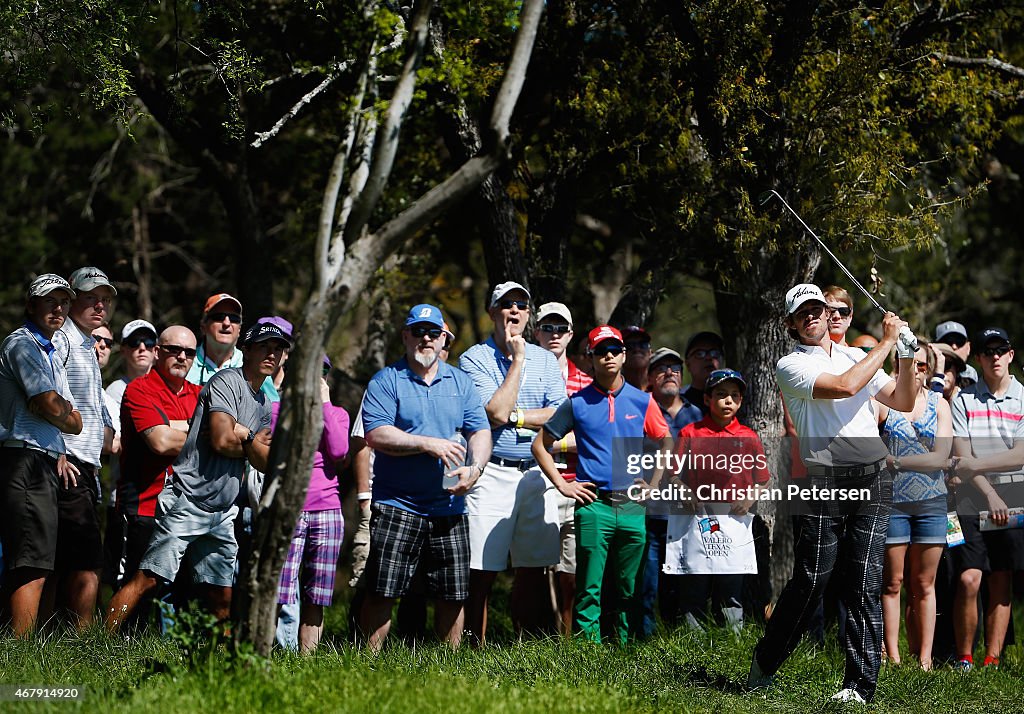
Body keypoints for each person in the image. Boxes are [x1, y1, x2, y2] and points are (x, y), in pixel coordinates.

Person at [748, 283, 917, 704]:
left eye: (817, 309)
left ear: (828, 314)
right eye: (801, 312)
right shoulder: (791, 364)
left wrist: (908, 356)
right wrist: (889, 341)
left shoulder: (855, 355)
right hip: (826, 477)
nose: (811, 316)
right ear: (791, 323)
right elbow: (843, 387)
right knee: (813, 577)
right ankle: (766, 662)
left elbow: (902, 399)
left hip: (873, 475)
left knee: (864, 579)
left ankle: (859, 686)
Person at [105, 322, 284, 631]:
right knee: (148, 579)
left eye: (278, 348)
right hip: (188, 499)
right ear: (247, 351)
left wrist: (245, 435)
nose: (272, 353)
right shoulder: (226, 381)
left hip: (221, 509)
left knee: (221, 597)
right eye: (264, 346)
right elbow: (221, 440)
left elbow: (264, 461)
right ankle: (98, 642)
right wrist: (247, 441)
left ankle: (219, 665)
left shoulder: (263, 402)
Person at [360, 304, 492, 652]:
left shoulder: (460, 382)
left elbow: (480, 430)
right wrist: (426, 443)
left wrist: (475, 468)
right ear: (405, 336)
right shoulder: (387, 380)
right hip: (396, 503)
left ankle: (449, 666)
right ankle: (365, 664)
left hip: (449, 503)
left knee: (453, 592)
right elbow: (376, 433)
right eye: (418, 331)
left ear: (443, 338)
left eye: (433, 332)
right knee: (383, 590)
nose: (426, 339)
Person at [533, 325, 672, 643]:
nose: (608, 356)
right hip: (592, 504)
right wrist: (562, 484)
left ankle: (624, 650)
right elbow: (540, 445)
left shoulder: (642, 401)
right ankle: (586, 655)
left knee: (628, 587)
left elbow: (665, 440)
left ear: (623, 356)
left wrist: (652, 483)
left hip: (632, 504)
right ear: (590, 358)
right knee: (589, 586)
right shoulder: (576, 403)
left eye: (614, 350)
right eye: (600, 351)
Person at [459, 282, 565, 644]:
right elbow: (493, 411)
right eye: (507, 305)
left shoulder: (547, 359)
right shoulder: (474, 358)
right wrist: (518, 359)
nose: (515, 311)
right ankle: (474, 648)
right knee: (481, 570)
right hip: (491, 472)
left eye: (522, 305)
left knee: (533, 569)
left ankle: (526, 650)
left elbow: (559, 415)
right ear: (492, 312)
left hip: (536, 473)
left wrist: (518, 417)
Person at [0, 274, 82, 637]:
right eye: (50, 300)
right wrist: (55, 407)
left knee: (42, 559)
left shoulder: (51, 353)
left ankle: (29, 646)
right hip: (25, 459)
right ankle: (20, 650)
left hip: (45, 459)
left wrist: (55, 408)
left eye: (64, 301)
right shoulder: (21, 344)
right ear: (31, 305)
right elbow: (54, 405)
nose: (59, 308)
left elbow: (75, 422)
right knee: (31, 561)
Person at [948, 327, 1024, 670]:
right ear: (977, 359)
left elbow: (1020, 456)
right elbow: (962, 457)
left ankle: (992, 659)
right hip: (973, 493)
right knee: (969, 577)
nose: (995, 356)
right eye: (987, 351)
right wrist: (989, 491)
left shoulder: (1023, 398)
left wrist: (976, 464)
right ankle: (965, 657)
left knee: (1002, 576)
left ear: (1010, 354)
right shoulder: (964, 399)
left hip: (1014, 490)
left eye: (1001, 350)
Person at [671, 369, 769, 631]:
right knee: (694, 586)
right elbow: (672, 475)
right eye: (721, 395)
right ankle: (694, 645)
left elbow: (762, 480)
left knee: (731, 589)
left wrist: (749, 500)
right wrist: (684, 491)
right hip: (697, 523)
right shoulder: (690, 434)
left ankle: (734, 645)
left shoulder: (748, 437)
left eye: (734, 396)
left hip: (734, 527)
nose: (728, 401)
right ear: (707, 399)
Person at [876, 344, 953, 670]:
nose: (916, 369)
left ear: (928, 369)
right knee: (892, 583)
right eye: (911, 363)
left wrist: (897, 460)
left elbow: (941, 458)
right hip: (893, 503)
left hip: (932, 504)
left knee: (924, 584)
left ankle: (924, 659)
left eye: (922, 365)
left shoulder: (940, 405)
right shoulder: (883, 403)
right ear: (899, 364)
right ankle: (892, 656)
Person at [51, 266, 117, 628]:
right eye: (90, 298)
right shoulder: (62, 339)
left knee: (66, 561)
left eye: (104, 299)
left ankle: (50, 639)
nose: (99, 306)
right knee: (87, 564)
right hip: (69, 462)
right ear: (72, 299)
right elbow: (51, 399)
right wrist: (59, 449)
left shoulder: (87, 345)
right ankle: (82, 643)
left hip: (87, 464)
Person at [113, 326, 200, 598]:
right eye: (174, 350)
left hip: (188, 508)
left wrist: (173, 427)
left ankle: (170, 643)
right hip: (144, 505)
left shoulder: (201, 394)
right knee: (138, 587)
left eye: (189, 352)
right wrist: (201, 434)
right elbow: (160, 443)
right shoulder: (139, 390)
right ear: (157, 352)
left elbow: (224, 437)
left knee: (185, 591)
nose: (182, 356)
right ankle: (109, 641)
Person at [273, 354, 349, 653]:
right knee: (280, 590)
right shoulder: (277, 411)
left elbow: (340, 449)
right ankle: (274, 654)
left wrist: (325, 404)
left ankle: (306, 661)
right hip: (289, 509)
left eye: (323, 372)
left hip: (327, 509)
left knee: (317, 594)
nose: (316, 378)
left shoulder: (337, 414)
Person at [533, 302, 592, 636]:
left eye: (561, 329)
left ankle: (566, 639)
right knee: (534, 568)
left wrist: (550, 443)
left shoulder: (585, 383)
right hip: (530, 479)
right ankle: (533, 638)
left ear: (571, 334)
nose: (554, 335)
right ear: (536, 332)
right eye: (547, 328)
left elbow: (591, 435)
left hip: (573, 481)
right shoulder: (522, 374)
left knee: (569, 570)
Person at [637, 347, 701, 636]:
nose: (669, 373)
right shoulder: (641, 409)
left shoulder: (697, 412)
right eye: (661, 369)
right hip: (651, 513)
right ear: (650, 377)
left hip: (689, 514)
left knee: (685, 584)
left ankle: (680, 639)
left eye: (675, 368)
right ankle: (646, 641)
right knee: (648, 584)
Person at [186, 293, 244, 387]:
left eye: (234, 318)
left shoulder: (251, 364)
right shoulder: (185, 362)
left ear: (239, 330)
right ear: (203, 327)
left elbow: (273, 401)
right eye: (219, 317)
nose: (226, 323)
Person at [106, 319, 158, 406]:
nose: (142, 347)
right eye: (134, 341)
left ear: (156, 350)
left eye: (149, 342)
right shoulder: (115, 391)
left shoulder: (170, 387)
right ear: (123, 350)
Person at [681, 331, 725, 414]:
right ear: (687, 365)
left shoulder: (733, 400)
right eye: (699, 354)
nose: (708, 358)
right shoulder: (679, 403)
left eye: (714, 353)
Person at [935, 320, 978, 387]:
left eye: (959, 341)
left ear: (968, 347)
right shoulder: (930, 368)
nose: (954, 347)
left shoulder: (971, 373)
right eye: (947, 342)